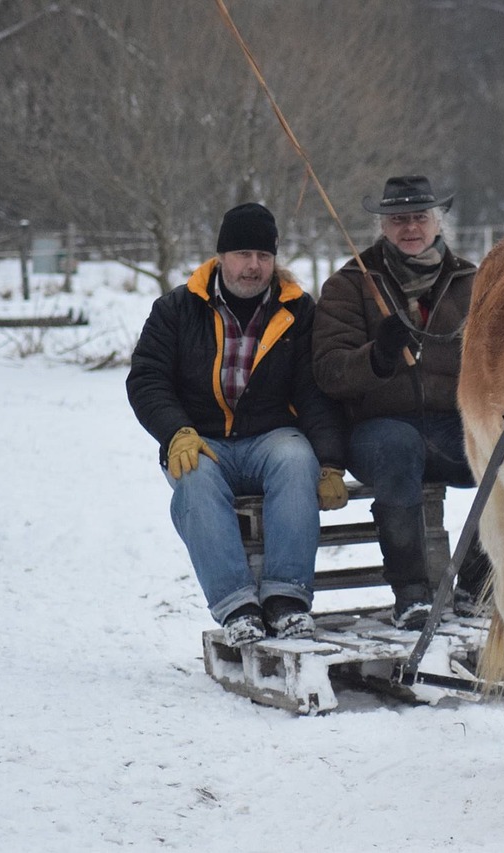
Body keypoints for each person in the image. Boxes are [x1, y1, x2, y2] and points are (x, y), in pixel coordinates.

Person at [127, 202, 349, 647]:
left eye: (263, 257)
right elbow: (147, 378)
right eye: (243, 254)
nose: (253, 266)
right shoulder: (176, 308)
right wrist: (175, 432)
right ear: (221, 256)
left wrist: (329, 461)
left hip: (270, 435)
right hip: (200, 437)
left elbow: (313, 391)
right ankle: (237, 605)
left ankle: (287, 599)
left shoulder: (297, 311)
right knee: (193, 477)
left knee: (296, 460)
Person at [312, 175, 490, 630]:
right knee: (396, 447)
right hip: (378, 430)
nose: (410, 228)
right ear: (383, 227)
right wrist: (378, 356)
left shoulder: (473, 282)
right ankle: (411, 594)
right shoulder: (350, 283)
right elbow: (329, 372)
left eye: (419, 217)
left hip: (453, 425)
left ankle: (477, 585)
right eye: (398, 220)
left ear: (437, 222)